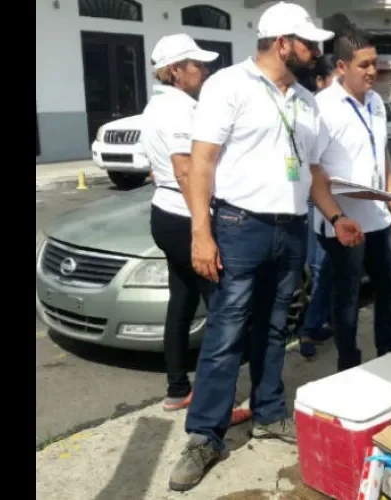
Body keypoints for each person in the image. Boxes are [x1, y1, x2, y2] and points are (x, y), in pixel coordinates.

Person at [169, 2, 363, 492]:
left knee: (277, 327)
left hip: (292, 228)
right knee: (226, 332)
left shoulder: (305, 100)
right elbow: (202, 163)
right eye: (309, 44)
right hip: (238, 225)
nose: (318, 52)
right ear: (282, 43)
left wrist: (336, 217)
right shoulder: (228, 86)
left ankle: (269, 412)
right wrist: (201, 233)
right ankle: (205, 436)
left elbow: (313, 170)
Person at [141, 34, 251, 425]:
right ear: (175, 71)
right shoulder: (178, 110)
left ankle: (177, 390)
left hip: (165, 211)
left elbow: (153, 169)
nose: (205, 71)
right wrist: (202, 230)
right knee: (224, 311)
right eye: (197, 66)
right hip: (186, 215)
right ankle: (215, 404)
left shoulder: (155, 106)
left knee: (183, 301)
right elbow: (185, 169)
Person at [314, 29, 391, 372]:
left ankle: (389, 353)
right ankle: (349, 364)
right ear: (341, 66)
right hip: (343, 221)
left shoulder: (376, 102)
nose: (372, 72)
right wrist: (337, 212)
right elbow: (314, 169)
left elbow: (381, 156)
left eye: (375, 64)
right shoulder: (321, 108)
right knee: (347, 299)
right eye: (364, 65)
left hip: (378, 218)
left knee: (390, 287)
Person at [299, 53, 341, 359]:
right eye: (336, 82)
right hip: (315, 201)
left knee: (324, 269)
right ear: (320, 81)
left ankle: (316, 324)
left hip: (333, 201)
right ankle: (308, 328)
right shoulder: (314, 110)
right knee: (320, 267)